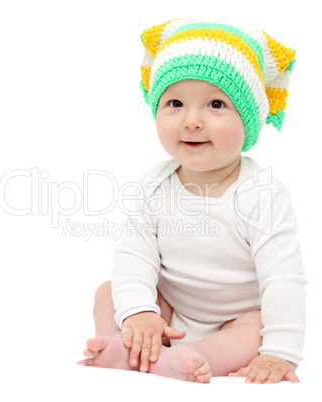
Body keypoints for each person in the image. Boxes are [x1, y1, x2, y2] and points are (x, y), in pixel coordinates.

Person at [77, 19, 306, 384]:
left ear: (248, 120)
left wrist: (280, 354)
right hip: (169, 309)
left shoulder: (263, 196)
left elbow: (283, 279)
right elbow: (135, 256)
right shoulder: (154, 186)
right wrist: (139, 312)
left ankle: (193, 358)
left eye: (216, 104)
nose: (192, 120)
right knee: (110, 292)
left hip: (235, 317)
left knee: (256, 326)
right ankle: (127, 346)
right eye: (175, 103)